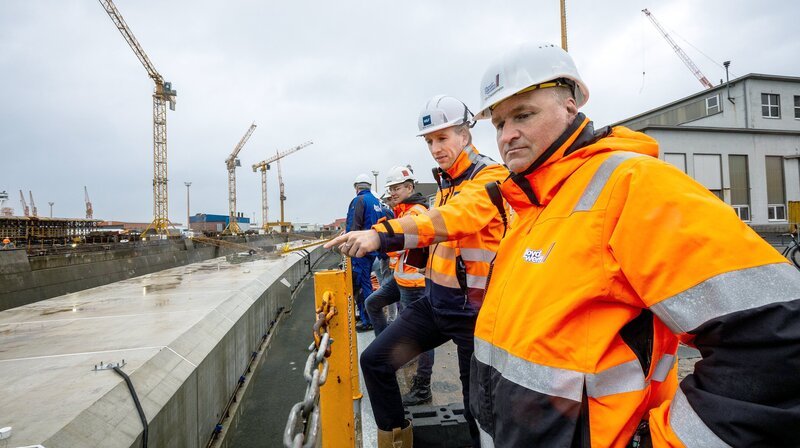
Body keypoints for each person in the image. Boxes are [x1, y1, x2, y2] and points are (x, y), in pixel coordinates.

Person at [463, 42, 800, 447]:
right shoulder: (530, 209)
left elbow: (778, 343)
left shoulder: (632, 185)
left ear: (571, 107)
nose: (508, 135)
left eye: (523, 115)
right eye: (499, 123)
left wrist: (668, 441)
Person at [326, 95, 508, 447]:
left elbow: (452, 219)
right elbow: (429, 229)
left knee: (479, 410)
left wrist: (380, 236)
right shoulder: (445, 186)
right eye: (429, 142)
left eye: (443, 138)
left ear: (465, 135)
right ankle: (397, 440)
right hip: (437, 303)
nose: (435, 148)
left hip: (476, 313)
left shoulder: (491, 178)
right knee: (376, 361)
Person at [364, 166, 436, 406]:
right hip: (400, 278)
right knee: (372, 303)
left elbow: (399, 246)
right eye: (390, 189)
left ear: (409, 187)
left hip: (413, 284)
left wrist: (384, 236)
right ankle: (386, 349)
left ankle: (422, 386)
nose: (392, 193)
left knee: (420, 336)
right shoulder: (403, 210)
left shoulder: (416, 212)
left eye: (396, 188)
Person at [346, 173, 385, 332]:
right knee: (368, 283)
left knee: (362, 286)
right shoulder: (376, 202)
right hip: (375, 248)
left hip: (361, 251)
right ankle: (371, 318)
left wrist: (348, 245)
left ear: (356, 187)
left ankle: (367, 320)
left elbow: (353, 227)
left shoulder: (359, 201)